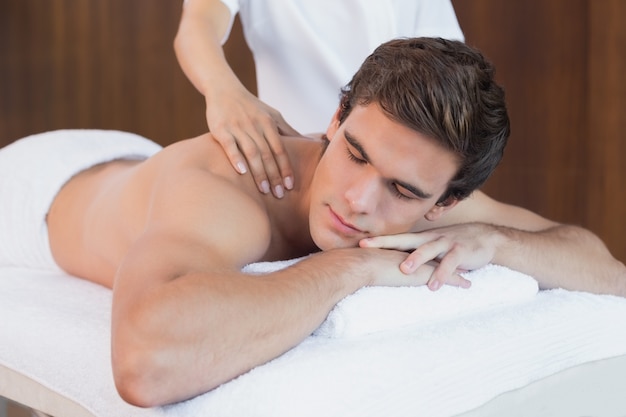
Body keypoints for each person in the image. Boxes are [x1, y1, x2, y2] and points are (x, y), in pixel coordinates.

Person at [1, 38, 624, 408]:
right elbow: (143, 363)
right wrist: (349, 267)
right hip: (31, 192)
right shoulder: (226, 192)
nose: (357, 200)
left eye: (402, 190)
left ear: (444, 203)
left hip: (130, 164)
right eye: (355, 152)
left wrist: (495, 240)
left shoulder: (445, 203)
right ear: (336, 117)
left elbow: (602, 266)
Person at [174, 0, 464, 198]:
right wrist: (224, 91)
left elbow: (450, 78)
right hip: (289, 174)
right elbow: (197, 26)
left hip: (394, 183)